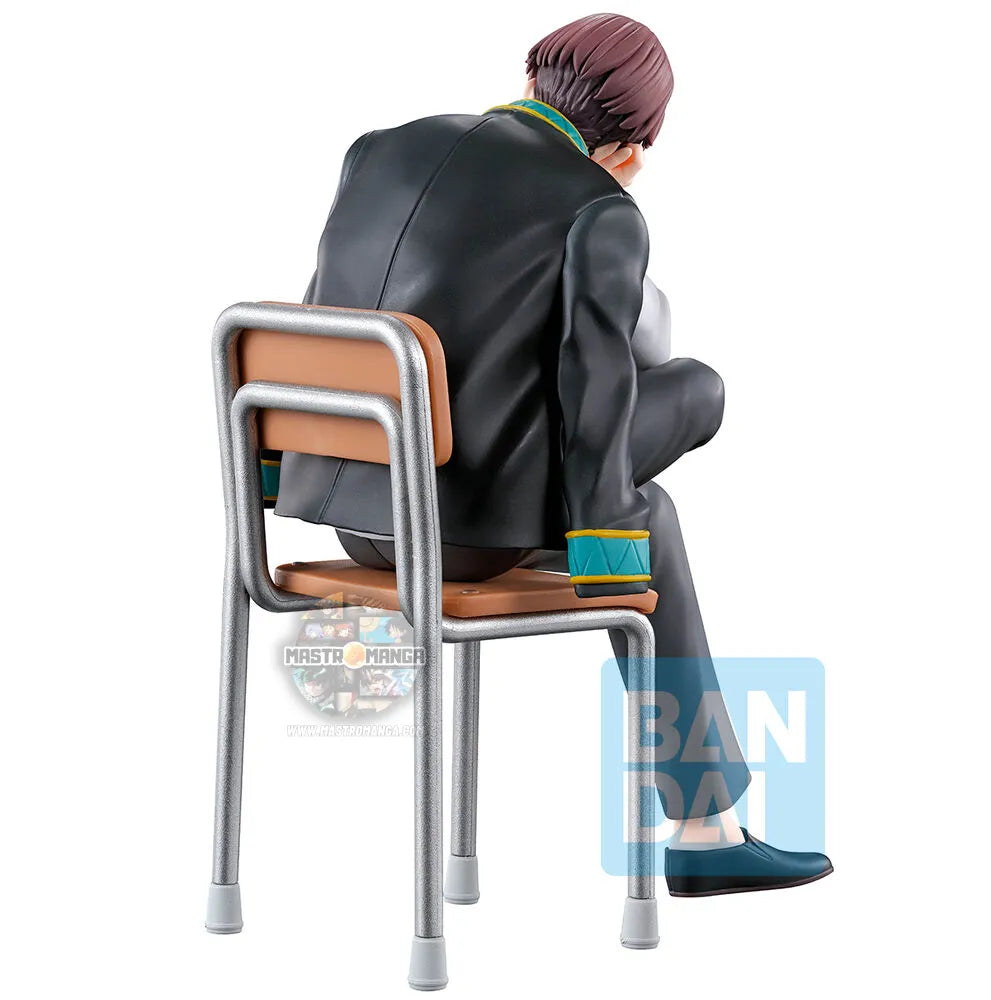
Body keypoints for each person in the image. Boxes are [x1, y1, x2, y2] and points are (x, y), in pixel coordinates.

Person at [276, 12, 831, 895]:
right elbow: (597, 397)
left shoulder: (376, 152)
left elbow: (321, 319)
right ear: (635, 147)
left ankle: (707, 825)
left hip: (351, 517)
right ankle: (704, 829)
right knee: (693, 402)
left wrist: (277, 475)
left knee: (641, 501)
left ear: (531, 78)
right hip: (463, 538)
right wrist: (608, 554)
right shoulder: (599, 206)